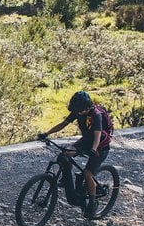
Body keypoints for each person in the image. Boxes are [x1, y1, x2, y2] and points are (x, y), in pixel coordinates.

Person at [37, 90, 113, 219]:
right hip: (86, 141)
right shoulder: (78, 111)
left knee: (87, 173)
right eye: (76, 110)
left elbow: (97, 134)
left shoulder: (96, 115)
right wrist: (47, 133)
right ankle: (66, 180)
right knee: (65, 155)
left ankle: (92, 202)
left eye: (80, 110)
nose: (78, 113)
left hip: (100, 146)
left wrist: (94, 149)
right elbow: (63, 124)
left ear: (87, 107)